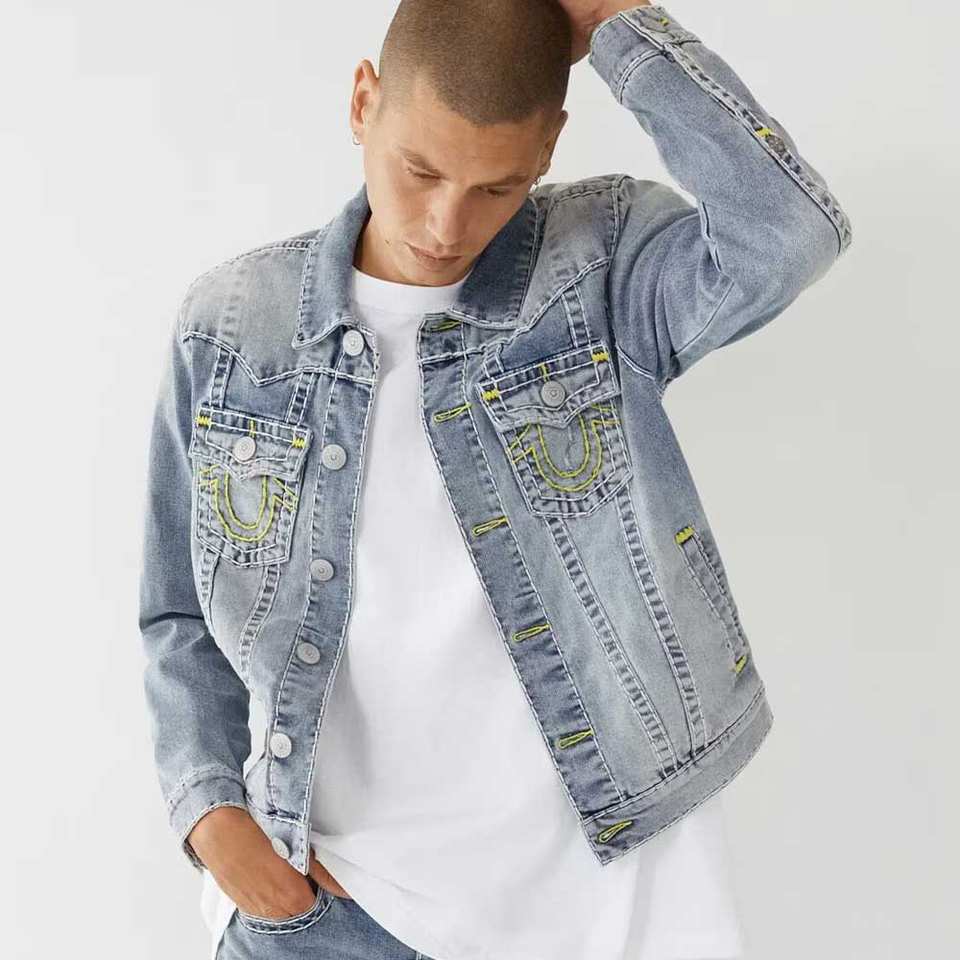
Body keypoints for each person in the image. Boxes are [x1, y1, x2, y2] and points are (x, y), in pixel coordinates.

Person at [137, 2, 852, 959]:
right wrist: (211, 817)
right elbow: (179, 611)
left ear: (548, 147)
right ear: (362, 102)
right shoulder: (233, 327)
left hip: (595, 902)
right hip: (324, 904)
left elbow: (787, 235)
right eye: (420, 171)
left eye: (497, 187)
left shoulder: (599, 269)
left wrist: (617, 23)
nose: (446, 224)